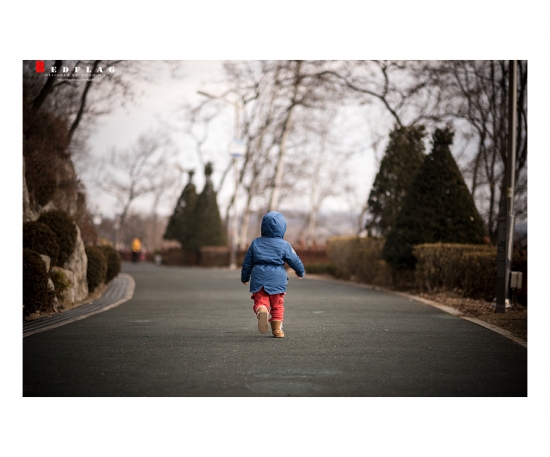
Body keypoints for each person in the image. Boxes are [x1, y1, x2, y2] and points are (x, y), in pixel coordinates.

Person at [241, 211, 305, 338]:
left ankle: (262, 309)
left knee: (261, 300)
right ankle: (277, 329)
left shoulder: (256, 243)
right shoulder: (284, 245)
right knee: (277, 304)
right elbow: (294, 259)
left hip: (259, 278)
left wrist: (245, 277)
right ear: (282, 228)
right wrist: (300, 271)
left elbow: (247, 263)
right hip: (278, 279)